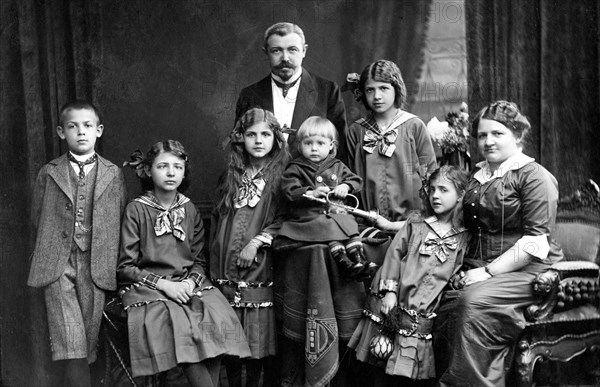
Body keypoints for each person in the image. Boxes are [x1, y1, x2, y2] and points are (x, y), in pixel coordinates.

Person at [433, 101, 564, 386]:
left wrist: (489, 272)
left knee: (471, 303)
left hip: (527, 270)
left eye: (497, 134)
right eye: (482, 135)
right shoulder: (477, 177)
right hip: (477, 264)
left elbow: (534, 242)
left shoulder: (534, 176)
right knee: (432, 293)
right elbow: (451, 219)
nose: (488, 141)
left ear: (517, 136)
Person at [118, 140, 251, 387]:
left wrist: (190, 282)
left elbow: (199, 261)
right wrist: (165, 286)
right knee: (182, 328)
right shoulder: (136, 210)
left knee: (217, 318)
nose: (171, 173)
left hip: (188, 284)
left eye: (177, 167)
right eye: (163, 166)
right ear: (148, 170)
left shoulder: (189, 209)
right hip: (150, 288)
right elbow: (126, 266)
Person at [27, 100, 127, 387]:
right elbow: (37, 218)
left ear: (99, 130)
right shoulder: (49, 172)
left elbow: (119, 216)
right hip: (58, 266)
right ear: (61, 132)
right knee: (70, 340)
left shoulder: (113, 174)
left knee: (88, 341)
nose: (81, 132)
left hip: (97, 266)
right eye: (73, 127)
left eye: (87, 126)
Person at [349, 166, 469, 387]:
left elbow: (456, 270)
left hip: (422, 312)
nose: (435, 195)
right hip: (394, 302)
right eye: (432, 189)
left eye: (443, 190)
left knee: (408, 368)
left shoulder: (464, 236)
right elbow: (394, 255)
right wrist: (390, 292)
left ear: (461, 194)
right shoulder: (416, 224)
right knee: (380, 357)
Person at [210, 108, 290, 387]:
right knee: (230, 343)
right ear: (240, 138)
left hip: (260, 264)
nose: (258, 140)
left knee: (256, 343)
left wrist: (256, 242)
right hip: (224, 264)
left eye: (266, 134)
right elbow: (218, 219)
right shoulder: (230, 175)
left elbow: (287, 219)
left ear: (276, 139)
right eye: (251, 134)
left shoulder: (283, 177)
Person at [278, 116, 378, 280]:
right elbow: (289, 190)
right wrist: (310, 192)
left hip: (337, 213)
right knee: (329, 226)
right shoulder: (296, 167)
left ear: (331, 145)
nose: (314, 148)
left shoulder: (337, 165)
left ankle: (358, 261)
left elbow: (356, 180)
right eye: (308, 143)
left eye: (320, 143)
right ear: (300, 145)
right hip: (309, 216)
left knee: (348, 223)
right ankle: (344, 262)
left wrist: (345, 186)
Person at [235, 22, 348, 162]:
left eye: (292, 50)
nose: (285, 58)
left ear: (304, 51)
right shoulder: (249, 94)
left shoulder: (328, 91)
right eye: (276, 50)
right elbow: (239, 149)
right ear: (266, 53)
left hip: (313, 182)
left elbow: (341, 148)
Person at [345, 60, 437, 231]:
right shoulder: (356, 131)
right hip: (368, 224)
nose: (377, 96)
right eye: (370, 90)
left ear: (396, 88)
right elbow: (350, 177)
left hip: (411, 224)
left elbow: (431, 174)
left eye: (384, 88)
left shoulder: (413, 126)